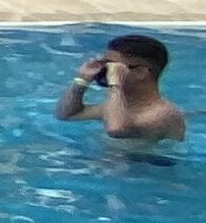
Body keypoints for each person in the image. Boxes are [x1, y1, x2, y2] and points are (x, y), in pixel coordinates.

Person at [57, 33, 188, 143]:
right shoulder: (118, 106)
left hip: (148, 169)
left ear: (141, 72)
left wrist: (116, 84)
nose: (106, 70)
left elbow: (116, 129)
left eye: (113, 66)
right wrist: (81, 81)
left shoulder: (164, 113)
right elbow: (67, 114)